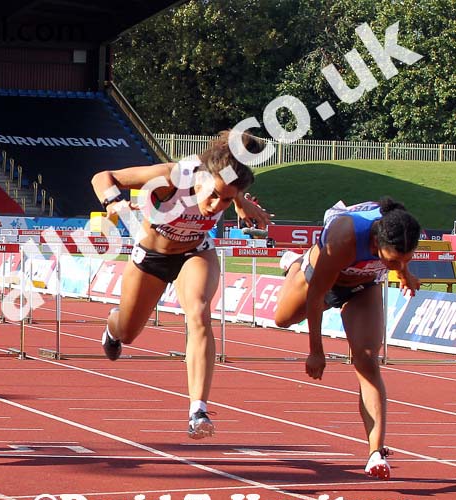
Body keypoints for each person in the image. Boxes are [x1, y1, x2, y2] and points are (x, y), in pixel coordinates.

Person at [92, 130, 271, 440]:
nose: (216, 205)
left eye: (225, 200)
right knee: (128, 331)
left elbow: (226, 184)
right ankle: (113, 326)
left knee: (200, 313)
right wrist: (114, 203)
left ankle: (198, 410)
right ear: (199, 183)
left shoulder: (224, 182)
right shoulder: (174, 176)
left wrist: (241, 203)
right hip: (151, 257)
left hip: (194, 252)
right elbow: (103, 177)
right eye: (212, 196)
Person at [274, 198, 421, 479]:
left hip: (363, 286)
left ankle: (375, 452)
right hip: (320, 279)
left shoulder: (403, 231)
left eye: (406, 258)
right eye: (392, 260)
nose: (398, 263)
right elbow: (317, 297)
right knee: (283, 319)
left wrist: (405, 274)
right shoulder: (345, 237)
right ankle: (293, 263)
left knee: (367, 362)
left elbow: (399, 255)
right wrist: (316, 351)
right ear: (376, 243)